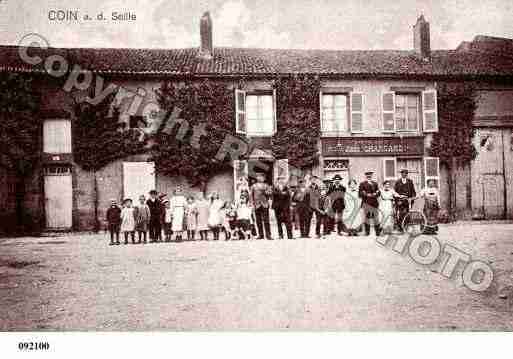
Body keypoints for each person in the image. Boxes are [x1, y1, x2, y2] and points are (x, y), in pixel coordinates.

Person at [250, 173, 273, 240]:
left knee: (266, 220)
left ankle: (268, 235)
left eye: (262, 177)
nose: (260, 178)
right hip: (257, 205)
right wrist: (252, 205)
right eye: (259, 177)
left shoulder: (266, 185)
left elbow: (270, 194)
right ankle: (261, 235)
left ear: (263, 178)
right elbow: (251, 196)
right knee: (258, 221)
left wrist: (266, 192)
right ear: (257, 178)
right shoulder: (253, 186)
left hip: (264, 204)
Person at [359, 171, 381, 236]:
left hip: (374, 203)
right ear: (366, 176)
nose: (369, 176)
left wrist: (376, 193)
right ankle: (367, 232)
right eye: (367, 176)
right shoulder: (362, 184)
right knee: (367, 218)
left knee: (376, 218)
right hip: (366, 203)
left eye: (370, 175)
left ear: (372, 176)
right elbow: (360, 193)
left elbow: (378, 192)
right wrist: (365, 194)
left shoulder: (375, 183)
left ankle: (377, 232)